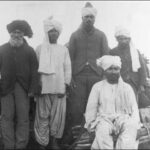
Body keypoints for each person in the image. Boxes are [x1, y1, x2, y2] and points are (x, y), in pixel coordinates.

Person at [67, 2, 109, 135]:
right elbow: (70, 58)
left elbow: (106, 57)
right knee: (77, 107)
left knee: (96, 105)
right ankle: (77, 135)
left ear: (94, 19)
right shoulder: (75, 35)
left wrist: (104, 76)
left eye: (91, 17)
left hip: (96, 75)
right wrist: (71, 77)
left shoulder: (101, 35)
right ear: (82, 19)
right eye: (86, 17)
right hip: (78, 76)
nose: (89, 19)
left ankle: (95, 133)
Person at [85, 55, 140, 149]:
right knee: (102, 131)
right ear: (104, 71)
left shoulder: (127, 88)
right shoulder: (97, 87)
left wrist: (136, 126)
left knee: (130, 127)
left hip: (123, 118)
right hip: (104, 119)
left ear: (119, 70)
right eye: (110, 69)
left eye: (116, 69)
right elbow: (91, 108)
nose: (113, 72)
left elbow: (134, 108)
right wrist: (91, 124)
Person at [34, 16, 71, 149]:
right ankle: (42, 143)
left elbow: (67, 68)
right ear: (46, 33)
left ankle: (54, 142)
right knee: (43, 116)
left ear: (59, 33)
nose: (53, 33)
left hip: (59, 88)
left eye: (55, 31)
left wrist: (65, 85)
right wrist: (37, 86)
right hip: (43, 88)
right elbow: (35, 68)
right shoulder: (39, 49)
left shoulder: (64, 49)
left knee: (57, 117)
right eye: (50, 31)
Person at [0, 20, 38, 150]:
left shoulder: (29, 51)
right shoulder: (2, 49)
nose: (16, 35)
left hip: (23, 89)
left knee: (23, 118)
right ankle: (9, 146)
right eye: (14, 32)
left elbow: (34, 71)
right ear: (10, 33)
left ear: (23, 34)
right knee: (6, 118)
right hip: (5, 89)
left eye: (19, 32)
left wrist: (32, 89)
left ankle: (21, 146)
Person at [110, 27, 147, 104]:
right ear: (117, 39)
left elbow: (142, 69)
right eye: (121, 39)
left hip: (133, 82)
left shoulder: (135, 52)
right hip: (118, 81)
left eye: (125, 39)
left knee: (132, 103)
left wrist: (142, 84)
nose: (123, 41)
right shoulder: (112, 52)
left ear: (129, 39)